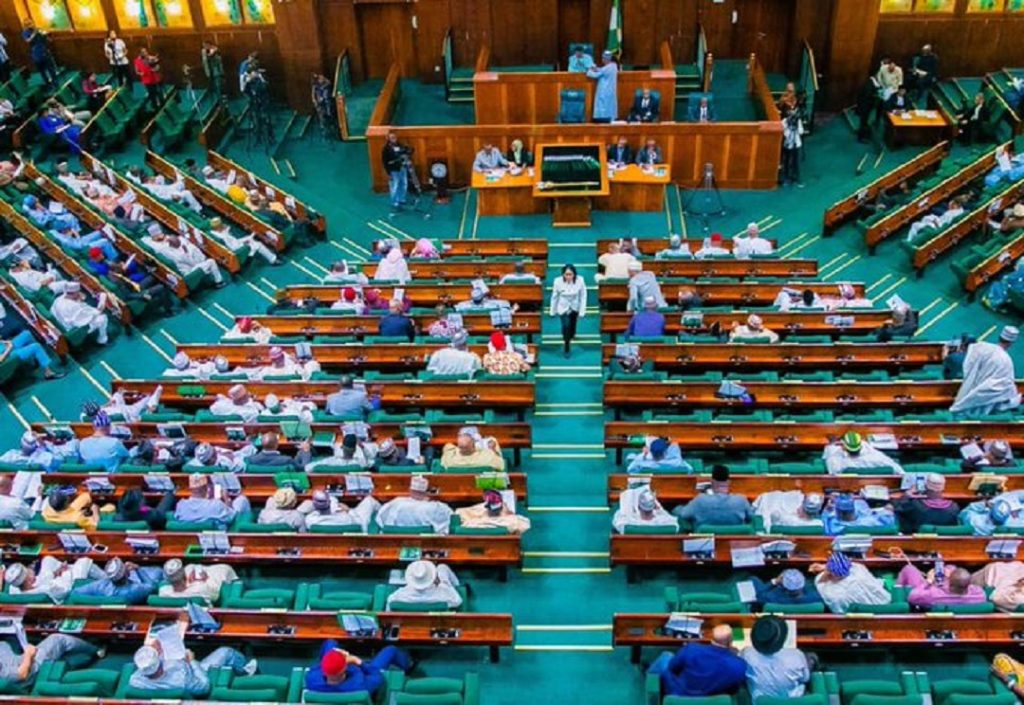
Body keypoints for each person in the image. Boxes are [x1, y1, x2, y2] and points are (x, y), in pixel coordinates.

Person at [130, 621, 255, 696]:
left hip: (178, 668)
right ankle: (247, 671)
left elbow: (148, 667)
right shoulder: (182, 679)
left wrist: (158, 652)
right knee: (226, 652)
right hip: (195, 672)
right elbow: (204, 686)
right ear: (159, 664)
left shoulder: (135, 681)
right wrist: (192, 661)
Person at [648, 624, 746, 697]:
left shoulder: (692, 649)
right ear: (731, 642)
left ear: (712, 639)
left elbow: (672, 668)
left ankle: (649, 675)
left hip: (679, 695)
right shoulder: (739, 666)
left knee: (666, 656)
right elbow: (733, 690)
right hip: (710, 700)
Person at [950, 325, 1021, 418]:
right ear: (1011, 343)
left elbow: (968, 364)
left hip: (972, 388)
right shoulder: (1006, 361)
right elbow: (1003, 385)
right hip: (987, 401)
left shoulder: (982, 348)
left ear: (999, 337)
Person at [740, 616, 813, 701]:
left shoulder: (747, 654)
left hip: (761, 702)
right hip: (794, 701)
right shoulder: (797, 655)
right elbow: (806, 678)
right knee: (812, 657)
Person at [305, 642, 412, 694]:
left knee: (330, 643)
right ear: (345, 668)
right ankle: (410, 666)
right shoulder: (360, 686)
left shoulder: (311, 680)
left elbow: (316, 668)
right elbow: (377, 676)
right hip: (365, 671)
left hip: (330, 693)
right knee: (390, 650)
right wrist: (358, 662)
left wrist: (333, 658)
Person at [0, 632, 102, 685]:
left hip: (12, 660)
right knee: (57, 639)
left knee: (4, 642)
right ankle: (97, 650)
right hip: (31, 667)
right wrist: (28, 654)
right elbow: (22, 674)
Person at [673, 465, 753, 528]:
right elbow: (751, 518)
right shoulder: (741, 500)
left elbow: (684, 514)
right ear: (729, 482)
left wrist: (675, 508)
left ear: (711, 482)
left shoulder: (700, 500)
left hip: (705, 543)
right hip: (735, 542)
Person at [811, 552, 891, 614]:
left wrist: (826, 571)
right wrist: (826, 566)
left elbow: (820, 584)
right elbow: (851, 564)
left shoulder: (835, 595)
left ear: (831, 573)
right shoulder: (859, 569)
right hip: (883, 605)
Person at [376, 475, 453, 534]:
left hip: (396, 542)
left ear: (410, 490)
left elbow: (380, 519)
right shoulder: (435, 507)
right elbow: (450, 519)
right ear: (426, 492)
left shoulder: (396, 503)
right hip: (427, 543)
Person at [5, 557, 102, 604]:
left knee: (47, 559)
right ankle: (107, 579)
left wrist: (56, 572)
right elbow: (66, 590)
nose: (30, 568)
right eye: (28, 570)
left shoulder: (15, 590)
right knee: (83, 561)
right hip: (68, 591)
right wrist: (65, 573)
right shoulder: (46, 589)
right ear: (29, 580)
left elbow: (39, 581)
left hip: (57, 582)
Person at [173, 473, 251, 529]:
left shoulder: (181, 505)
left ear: (190, 488)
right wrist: (226, 499)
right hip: (219, 536)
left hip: (190, 538)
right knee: (242, 500)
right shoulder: (216, 505)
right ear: (206, 488)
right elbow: (231, 517)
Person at [896, 561, 985, 610]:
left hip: (930, 591)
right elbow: (967, 585)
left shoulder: (932, 596)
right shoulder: (979, 595)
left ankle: (895, 596)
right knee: (951, 567)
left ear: (950, 584)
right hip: (949, 592)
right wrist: (950, 577)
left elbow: (912, 596)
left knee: (909, 569)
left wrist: (929, 581)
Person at [71, 557, 162, 604]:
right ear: (127, 574)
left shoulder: (101, 585)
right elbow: (152, 587)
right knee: (157, 571)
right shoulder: (135, 590)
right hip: (135, 603)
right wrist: (138, 568)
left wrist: (98, 601)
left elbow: (75, 592)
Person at [893, 473, 960, 533]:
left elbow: (896, 508)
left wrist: (906, 496)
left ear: (925, 487)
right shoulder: (954, 507)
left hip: (917, 540)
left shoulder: (916, 505)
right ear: (943, 488)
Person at [385, 560, 462, 610]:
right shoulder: (442, 593)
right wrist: (446, 584)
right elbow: (458, 601)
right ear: (433, 577)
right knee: (442, 567)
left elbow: (390, 601)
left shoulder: (401, 594)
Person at [822, 431, 904, 476]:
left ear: (844, 448)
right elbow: (898, 470)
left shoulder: (839, 463)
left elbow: (832, 470)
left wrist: (832, 444)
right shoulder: (877, 458)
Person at [158, 559, 238, 604]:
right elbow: (215, 596)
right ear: (184, 574)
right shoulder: (201, 589)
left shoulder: (163, 592)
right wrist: (205, 580)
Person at [550, 264, 586, 358]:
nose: (568, 276)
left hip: (575, 306)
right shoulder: (557, 281)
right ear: (563, 274)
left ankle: (571, 334)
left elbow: (583, 296)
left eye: (570, 274)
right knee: (566, 325)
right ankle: (567, 345)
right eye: (566, 274)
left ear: (574, 274)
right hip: (563, 306)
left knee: (572, 325)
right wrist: (552, 311)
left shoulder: (580, 280)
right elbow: (554, 296)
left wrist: (582, 311)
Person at [208, 217, 277, 265]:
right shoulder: (223, 237)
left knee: (251, 238)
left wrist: (226, 228)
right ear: (218, 227)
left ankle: (254, 253)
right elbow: (233, 247)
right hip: (239, 249)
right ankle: (273, 260)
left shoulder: (215, 232)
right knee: (258, 244)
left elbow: (226, 231)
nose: (223, 225)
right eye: (221, 225)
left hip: (237, 243)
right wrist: (245, 244)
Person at [455, 490, 531, 534]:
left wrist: (481, 515)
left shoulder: (470, 524)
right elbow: (525, 525)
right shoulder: (514, 522)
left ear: (486, 508)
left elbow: (458, 513)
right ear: (502, 507)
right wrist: (509, 515)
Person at [304, 490, 380, 532]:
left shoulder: (309, 520)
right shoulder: (346, 518)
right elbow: (359, 523)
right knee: (369, 500)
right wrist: (348, 510)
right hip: (357, 522)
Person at [821, 493, 896, 535]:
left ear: (837, 512)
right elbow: (890, 519)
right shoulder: (871, 522)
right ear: (853, 509)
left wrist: (826, 509)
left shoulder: (833, 526)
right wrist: (887, 510)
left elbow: (823, 522)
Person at [612, 486, 678, 534]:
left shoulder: (626, 524)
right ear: (654, 506)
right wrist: (660, 509)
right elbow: (672, 521)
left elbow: (617, 519)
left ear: (638, 506)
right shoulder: (668, 524)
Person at [441, 429, 505, 471]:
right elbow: (501, 466)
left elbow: (447, 448)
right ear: (474, 443)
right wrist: (492, 449)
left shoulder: (448, 458)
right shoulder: (489, 457)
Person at [751, 569, 821, 607]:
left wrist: (775, 581)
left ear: (782, 585)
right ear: (803, 583)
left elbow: (758, 595)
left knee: (753, 578)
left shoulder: (772, 598)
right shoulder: (816, 598)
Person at [626, 436, 693, 473]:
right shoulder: (677, 462)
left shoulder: (643, 464)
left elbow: (630, 470)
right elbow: (690, 469)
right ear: (665, 452)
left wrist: (644, 454)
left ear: (651, 452)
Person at [22, 20, 57, 87]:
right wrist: (34, 33)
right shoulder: (25, 33)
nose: (30, 25)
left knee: (50, 68)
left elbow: (46, 38)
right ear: (25, 26)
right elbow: (28, 40)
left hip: (44, 51)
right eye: (28, 24)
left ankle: (55, 82)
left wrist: (46, 36)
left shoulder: (38, 30)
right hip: (36, 55)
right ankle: (47, 83)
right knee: (42, 71)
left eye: (31, 23)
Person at [247, 433, 312, 469]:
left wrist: (299, 454)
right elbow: (303, 468)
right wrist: (306, 451)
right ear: (276, 445)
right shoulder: (287, 460)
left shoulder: (251, 459)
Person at [381, 132, 410, 214]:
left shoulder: (400, 145)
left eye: (394, 137)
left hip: (402, 168)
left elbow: (406, 151)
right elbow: (385, 162)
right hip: (393, 170)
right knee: (395, 186)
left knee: (404, 184)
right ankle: (395, 202)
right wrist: (388, 172)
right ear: (388, 139)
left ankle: (402, 199)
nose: (394, 138)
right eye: (392, 137)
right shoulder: (386, 149)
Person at [586, 50, 618, 123]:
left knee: (603, 106)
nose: (602, 60)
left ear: (606, 59)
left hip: (604, 90)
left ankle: (602, 120)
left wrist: (589, 70)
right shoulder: (614, 66)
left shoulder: (607, 68)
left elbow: (594, 75)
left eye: (603, 58)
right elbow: (602, 70)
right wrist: (596, 69)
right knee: (609, 106)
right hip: (610, 90)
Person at [134, 48, 163, 112]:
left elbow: (157, 65)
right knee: (152, 94)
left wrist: (156, 68)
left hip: (154, 78)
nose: (146, 53)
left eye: (146, 51)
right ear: (140, 53)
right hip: (146, 80)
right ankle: (155, 107)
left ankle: (161, 104)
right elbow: (137, 71)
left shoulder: (150, 58)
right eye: (143, 52)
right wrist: (141, 73)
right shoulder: (137, 61)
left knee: (157, 91)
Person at [781, 110, 804, 187]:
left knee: (796, 163)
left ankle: (797, 179)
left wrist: (796, 126)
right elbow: (785, 134)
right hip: (787, 145)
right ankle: (786, 179)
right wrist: (789, 126)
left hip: (796, 144)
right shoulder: (784, 121)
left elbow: (801, 132)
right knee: (786, 162)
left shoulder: (798, 121)